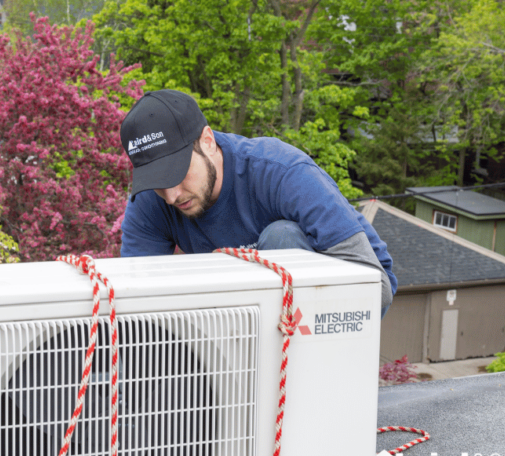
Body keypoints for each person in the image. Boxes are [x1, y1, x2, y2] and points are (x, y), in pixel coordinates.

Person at [119, 89, 396, 312]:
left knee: (281, 237)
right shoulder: (150, 200)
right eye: (158, 181)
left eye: (176, 173)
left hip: (339, 305)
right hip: (244, 309)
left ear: (207, 141)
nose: (171, 196)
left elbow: (377, 290)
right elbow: (136, 300)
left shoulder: (281, 172)